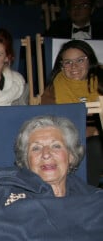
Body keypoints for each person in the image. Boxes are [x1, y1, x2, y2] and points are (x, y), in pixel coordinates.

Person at [41, 39, 103, 187]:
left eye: (80, 60)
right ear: (61, 66)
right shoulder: (54, 88)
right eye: (67, 62)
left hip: (98, 140)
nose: (74, 66)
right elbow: (47, 121)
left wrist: (95, 130)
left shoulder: (101, 80)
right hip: (69, 141)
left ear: (90, 61)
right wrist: (87, 131)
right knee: (92, 147)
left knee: (95, 146)